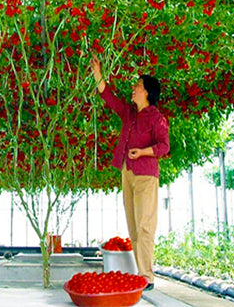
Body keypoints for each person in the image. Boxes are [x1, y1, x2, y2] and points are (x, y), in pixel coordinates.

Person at [91, 56, 170, 291]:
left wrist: (143, 152)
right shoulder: (129, 113)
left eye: (137, 86)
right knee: (134, 226)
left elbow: (164, 146)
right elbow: (110, 98)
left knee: (145, 225)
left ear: (147, 92)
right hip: (127, 173)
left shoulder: (157, 118)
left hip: (146, 174)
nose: (133, 89)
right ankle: (141, 274)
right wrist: (98, 73)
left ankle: (147, 277)